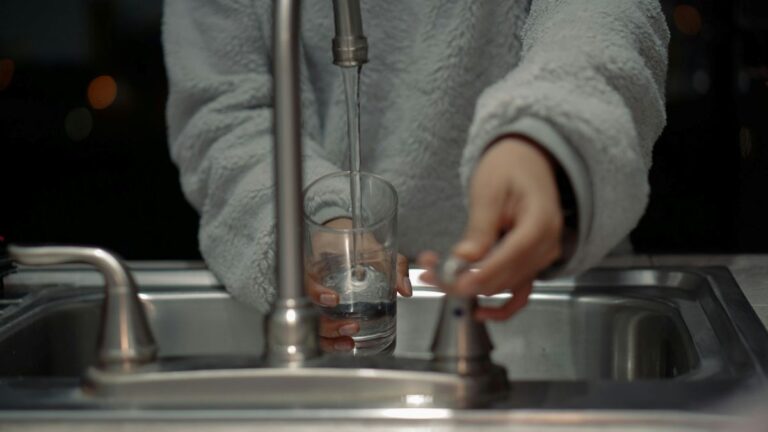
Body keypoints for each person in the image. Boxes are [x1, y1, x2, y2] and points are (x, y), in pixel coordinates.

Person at [162, 0, 669, 351]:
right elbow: (223, 112)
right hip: (327, 329)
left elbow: (604, 18)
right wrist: (307, 222)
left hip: (547, 307)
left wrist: (546, 137)